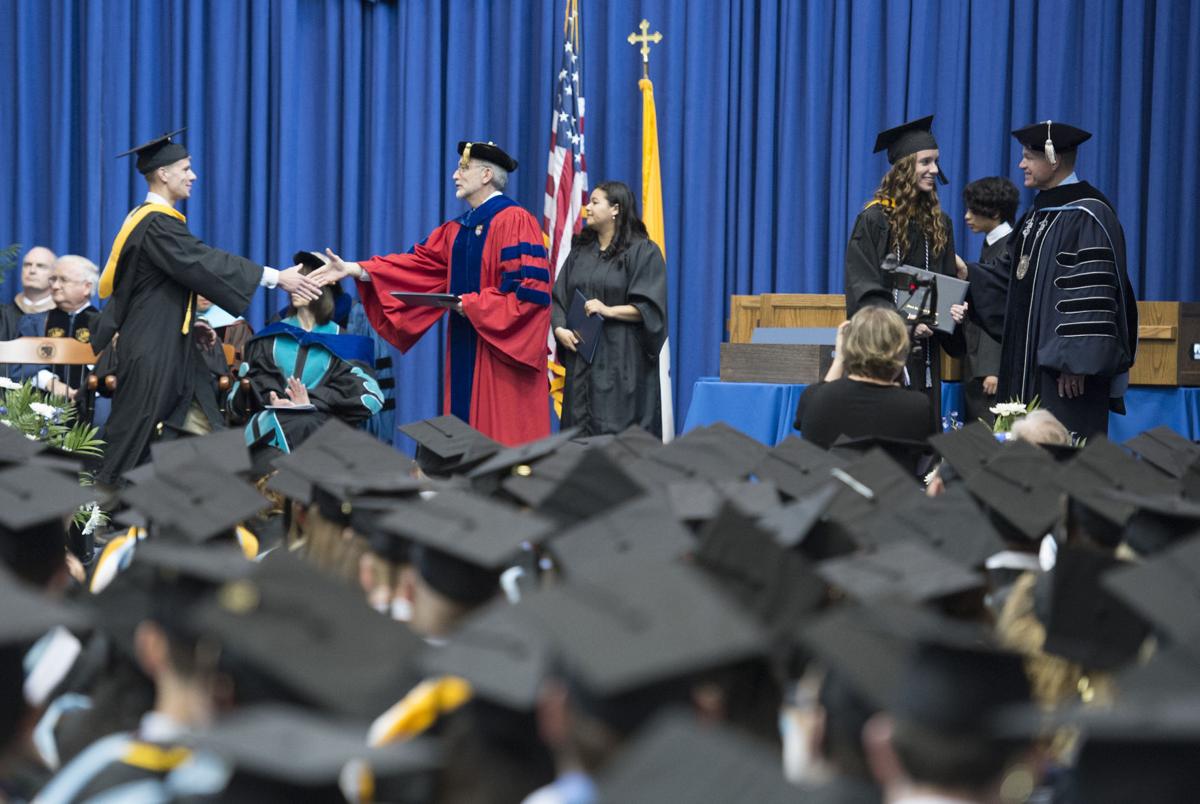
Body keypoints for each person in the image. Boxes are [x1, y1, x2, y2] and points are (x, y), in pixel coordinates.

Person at [91, 129, 319, 485]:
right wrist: (276, 278)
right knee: (131, 437)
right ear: (163, 174)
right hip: (150, 348)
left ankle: (152, 518)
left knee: (159, 434)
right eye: (186, 168)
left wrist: (186, 321)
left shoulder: (150, 220)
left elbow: (158, 286)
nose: (192, 175)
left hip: (161, 341)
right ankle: (98, 524)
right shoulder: (156, 224)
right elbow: (202, 262)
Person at [312, 141, 553, 446]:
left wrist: (473, 304)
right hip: (468, 345)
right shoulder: (458, 230)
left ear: (487, 174)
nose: (455, 175)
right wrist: (357, 269)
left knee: (500, 444)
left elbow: (529, 293)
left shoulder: (515, 221)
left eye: (463, 168)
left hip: (500, 358)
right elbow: (415, 266)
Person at [960, 121, 1137, 438]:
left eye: (1028, 156)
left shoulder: (1089, 215)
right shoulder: (1035, 216)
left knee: (1063, 457)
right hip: (1025, 369)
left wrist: (1074, 362)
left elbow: (1091, 294)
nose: (1021, 164)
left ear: (1053, 159)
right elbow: (1009, 279)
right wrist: (967, 273)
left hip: (1065, 378)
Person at [844, 116, 964, 430]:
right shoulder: (874, 219)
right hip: (884, 352)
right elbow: (862, 285)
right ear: (903, 167)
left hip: (926, 355)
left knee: (922, 435)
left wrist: (953, 313)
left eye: (936, 162)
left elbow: (946, 284)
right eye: (925, 162)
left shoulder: (940, 224)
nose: (935, 170)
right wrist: (907, 324)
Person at [228, 253, 384, 455]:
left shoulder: (346, 344)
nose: (295, 286)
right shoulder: (270, 337)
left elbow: (367, 397)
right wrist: (274, 398)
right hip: (273, 427)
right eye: (295, 280)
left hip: (323, 435)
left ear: (325, 287)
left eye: (305, 279)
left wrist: (311, 401)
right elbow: (256, 381)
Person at [551, 181, 668, 438]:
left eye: (594, 202)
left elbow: (651, 308)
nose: (587, 208)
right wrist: (559, 329)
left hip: (622, 361)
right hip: (582, 360)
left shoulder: (642, 251)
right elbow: (559, 297)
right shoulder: (580, 253)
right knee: (577, 435)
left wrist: (609, 310)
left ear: (615, 209)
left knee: (617, 439)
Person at [794, 307, 938, 450]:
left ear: (848, 347)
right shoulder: (917, 407)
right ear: (900, 351)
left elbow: (822, 395)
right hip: (889, 473)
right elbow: (922, 464)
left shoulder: (813, 397)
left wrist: (839, 359)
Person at [960, 177, 1018, 425]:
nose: (966, 216)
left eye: (974, 210)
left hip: (991, 369)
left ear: (994, 212)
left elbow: (1001, 306)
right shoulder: (991, 244)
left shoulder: (1009, 248)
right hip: (976, 362)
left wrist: (991, 368)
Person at [12, 255, 101, 399]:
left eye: (63, 280)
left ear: (86, 287)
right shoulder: (34, 323)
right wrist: (50, 383)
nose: (55, 286)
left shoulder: (106, 326)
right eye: (53, 279)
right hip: (42, 404)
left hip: (93, 406)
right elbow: (21, 367)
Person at [1, 246, 56, 350]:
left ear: (54, 275)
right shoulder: (3, 316)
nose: (32, 270)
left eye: (41, 266)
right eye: (27, 265)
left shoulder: (64, 317)